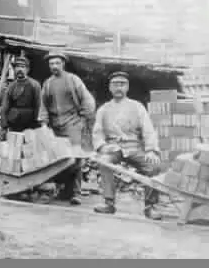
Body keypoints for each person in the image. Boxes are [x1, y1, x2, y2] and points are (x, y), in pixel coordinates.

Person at [92, 71, 162, 220]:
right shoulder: (103, 109)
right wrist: (103, 147)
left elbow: (148, 130)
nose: (119, 87)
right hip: (114, 148)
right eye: (115, 84)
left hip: (134, 147)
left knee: (153, 166)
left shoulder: (137, 107)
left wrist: (151, 151)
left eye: (122, 84)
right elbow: (97, 132)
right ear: (110, 88)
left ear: (127, 87)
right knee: (104, 162)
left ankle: (150, 206)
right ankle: (108, 203)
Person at [39, 51, 96, 205]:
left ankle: (75, 192)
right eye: (51, 64)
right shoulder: (48, 83)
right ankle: (63, 190)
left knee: (76, 158)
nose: (54, 66)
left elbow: (87, 100)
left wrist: (83, 118)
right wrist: (44, 123)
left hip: (73, 124)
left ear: (63, 64)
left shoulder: (73, 80)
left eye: (57, 63)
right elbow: (43, 105)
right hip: (55, 125)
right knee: (58, 158)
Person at [0, 56, 41, 135]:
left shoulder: (34, 85)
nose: (20, 69)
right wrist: (4, 126)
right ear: (14, 69)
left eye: (22, 67)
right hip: (14, 122)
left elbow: (38, 105)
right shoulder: (11, 86)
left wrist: (37, 122)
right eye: (17, 67)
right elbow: (5, 107)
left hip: (29, 123)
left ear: (27, 69)